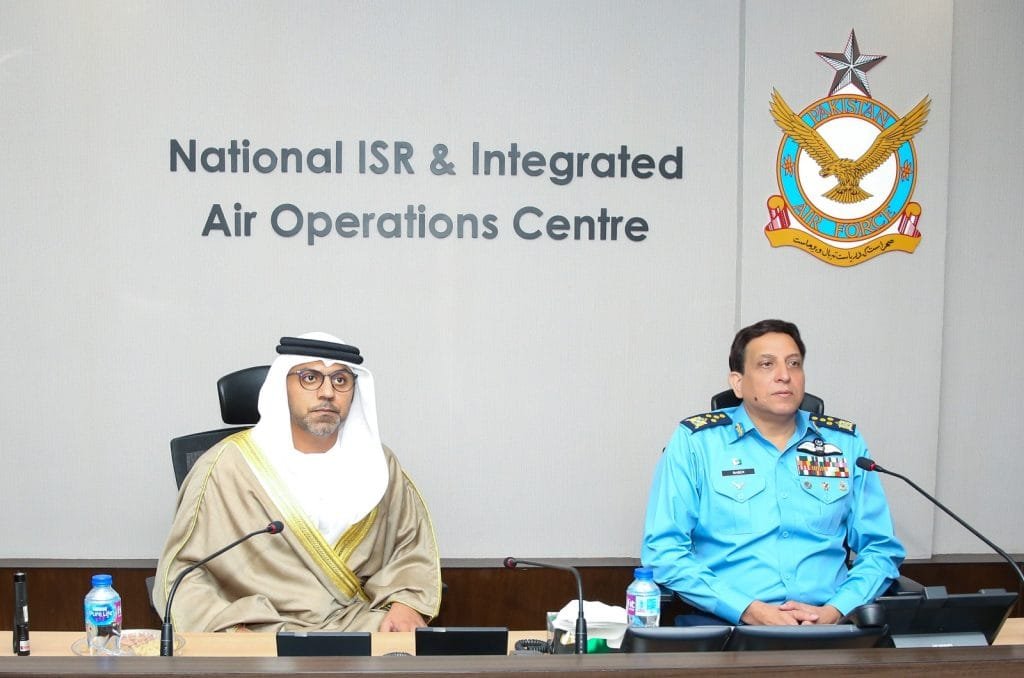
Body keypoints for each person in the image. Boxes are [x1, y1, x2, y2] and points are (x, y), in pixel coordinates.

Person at [153, 333, 441, 633]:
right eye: (310, 378)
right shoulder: (227, 467)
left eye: (340, 380)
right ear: (283, 386)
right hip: (260, 633)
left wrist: (405, 604)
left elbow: (410, 548)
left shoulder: (378, 465)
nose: (327, 392)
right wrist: (231, 632)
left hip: (359, 627)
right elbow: (184, 574)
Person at [642, 319, 905, 625]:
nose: (784, 376)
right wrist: (749, 610)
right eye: (767, 364)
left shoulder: (845, 444)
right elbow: (663, 552)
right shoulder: (697, 444)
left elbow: (880, 548)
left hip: (829, 626)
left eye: (794, 364)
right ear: (737, 383)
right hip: (728, 626)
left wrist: (836, 610)